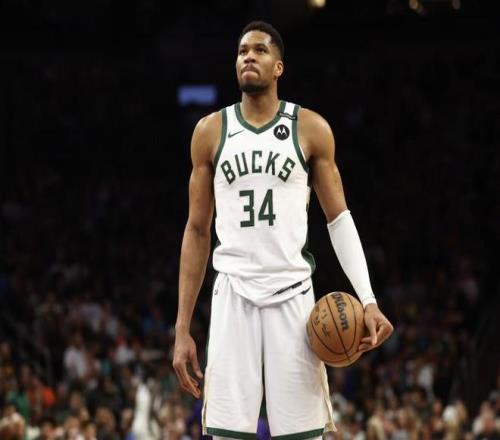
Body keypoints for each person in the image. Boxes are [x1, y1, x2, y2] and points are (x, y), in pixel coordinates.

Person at [173, 20, 394, 440]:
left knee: (303, 435)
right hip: (233, 295)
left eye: (259, 50)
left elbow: (339, 219)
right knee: (225, 435)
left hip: (293, 297)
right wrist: (182, 328)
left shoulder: (310, 128)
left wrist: (368, 299)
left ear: (279, 67)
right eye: (242, 51)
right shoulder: (210, 132)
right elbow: (197, 230)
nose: (249, 57)